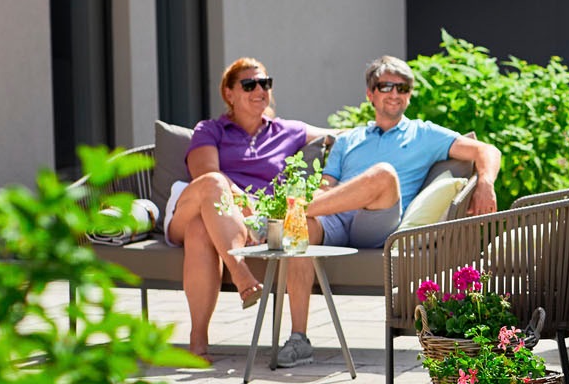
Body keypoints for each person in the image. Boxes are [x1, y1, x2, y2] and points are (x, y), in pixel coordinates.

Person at [276, 55, 502, 367]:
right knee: (305, 228)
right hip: (339, 221)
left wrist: (486, 183)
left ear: (409, 94)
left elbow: (486, 150)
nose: (395, 93)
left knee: (382, 174)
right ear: (370, 93)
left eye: (403, 87)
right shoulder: (347, 140)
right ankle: (298, 338)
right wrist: (315, 203)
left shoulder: (424, 134)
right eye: (386, 86)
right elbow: (328, 185)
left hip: (380, 222)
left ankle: (295, 212)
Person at [164, 58, 329, 362]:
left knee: (201, 230)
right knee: (213, 184)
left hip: (232, 224)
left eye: (265, 83)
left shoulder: (288, 131)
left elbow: (340, 135)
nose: (259, 90)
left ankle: (197, 341)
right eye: (249, 84)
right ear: (229, 93)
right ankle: (241, 275)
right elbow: (204, 175)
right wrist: (245, 204)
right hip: (193, 207)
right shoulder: (211, 129)